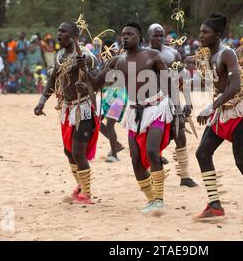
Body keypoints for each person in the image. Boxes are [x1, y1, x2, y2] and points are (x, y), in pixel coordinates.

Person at [88, 21, 173, 215]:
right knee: (135, 161)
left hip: (156, 108)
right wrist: (84, 70)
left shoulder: (153, 55)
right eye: (123, 34)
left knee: (152, 151)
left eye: (130, 34)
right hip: (134, 112)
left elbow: (169, 81)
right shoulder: (117, 61)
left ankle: (159, 200)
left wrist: (177, 111)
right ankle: (151, 199)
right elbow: (96, 82)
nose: (125, 37)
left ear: (140, 38)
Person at [193, 12, 243, 222]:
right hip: (222, 111)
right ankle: (215, 206)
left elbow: (235, 86)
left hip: (238, 110)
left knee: (242, 161)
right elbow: (213, 82)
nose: (200, 35)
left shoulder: (227, 54)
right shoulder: (206, 55)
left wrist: (211, 106)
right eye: (200, 31)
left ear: (217, 34)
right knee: (202, 153)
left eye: (205, 32)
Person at [34, 21, 100, 204]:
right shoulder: (59, 56)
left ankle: (86, 193)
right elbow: (53, 80)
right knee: (69, 151)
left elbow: (100, 81)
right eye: (58, 30)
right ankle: (80, 187)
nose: (58, 34)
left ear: (73, 36)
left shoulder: (86, 56)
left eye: (63, 31)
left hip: (84, 107)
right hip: (66, 108)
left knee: (78, 151)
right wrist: (42, 102)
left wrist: (85, 84)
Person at [147, 23, 197, 187]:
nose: (159, 38)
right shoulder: (143, 55)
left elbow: (183, 78)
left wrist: (187, 101)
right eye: (155, 35)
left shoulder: (173, 53)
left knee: (179, 136)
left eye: (161, 35)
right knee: (153, 139)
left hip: (172, 100)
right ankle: (154, 169)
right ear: (148, 36)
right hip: (151, 103)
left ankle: (185, 176)